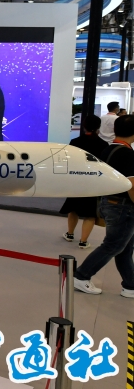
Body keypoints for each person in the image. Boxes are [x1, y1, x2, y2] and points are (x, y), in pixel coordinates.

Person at [74, 114, 134, 299]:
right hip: (123, 206)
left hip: (110, 202)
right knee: (113, 245)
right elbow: (131, 185)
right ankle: (81, 275)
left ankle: (130, 285)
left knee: (124, 247)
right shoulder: (127, 154)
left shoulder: (108, 150)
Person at [59, 115, 108, 249]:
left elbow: (69, 161)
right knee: (90, 213)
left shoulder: (75, 142)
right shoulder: (103, 144)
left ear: (84, 125)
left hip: (76, 180)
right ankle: (83, 241)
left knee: (73, 208)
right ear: (98, 127)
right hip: (93, 182)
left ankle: (70, 234)